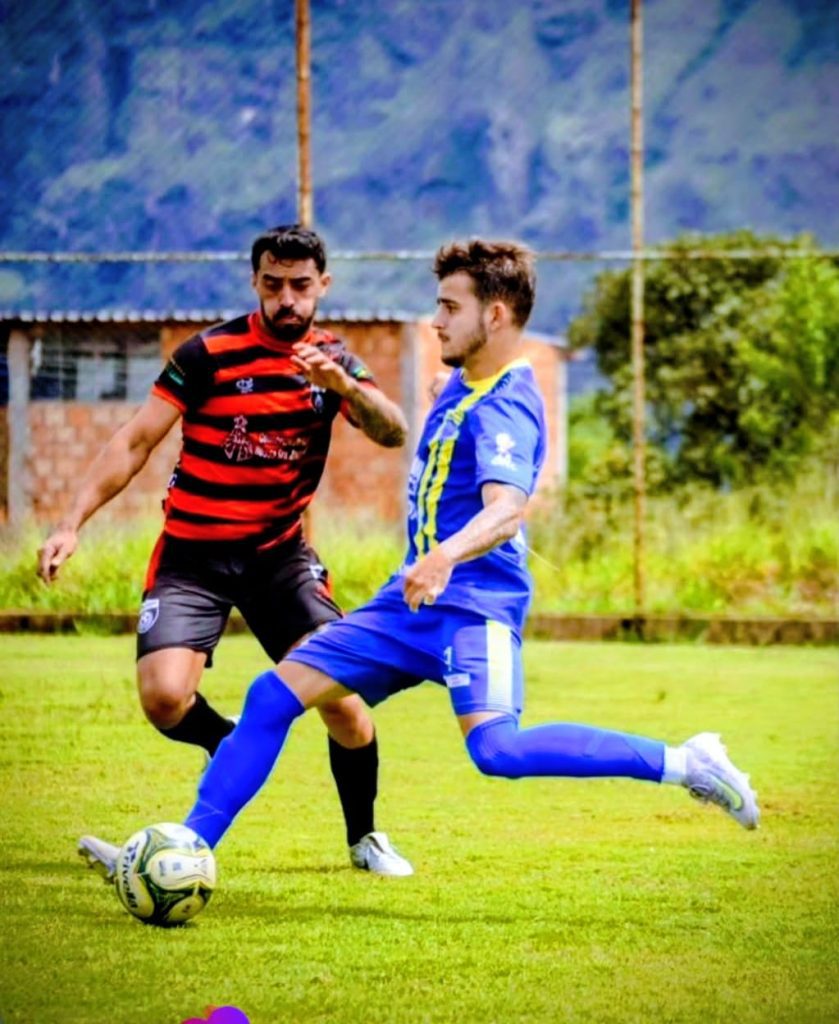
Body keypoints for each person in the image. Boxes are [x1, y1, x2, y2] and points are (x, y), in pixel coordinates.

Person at [86, 238, 759, 871]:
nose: (435, 321)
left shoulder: (506, 404)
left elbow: (506, 509)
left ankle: (686, 763)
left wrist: (443, 557)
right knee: (272, 696)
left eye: (448, 307)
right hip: (406, 605)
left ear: (494, 316)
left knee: (496, 750)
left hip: (472, 609)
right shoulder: (464, 384)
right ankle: (185, 850)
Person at [41, 225, 414, 877]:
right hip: (192, 558)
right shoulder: (207, 353)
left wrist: (346, 388)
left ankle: (365, 837)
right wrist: (71, 523)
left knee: (345, 706)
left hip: (280, 561)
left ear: (323, 285)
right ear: (255, 282)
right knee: (163, 698)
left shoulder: (332, 361)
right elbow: (135, 442)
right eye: (273, 284)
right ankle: (230, 746)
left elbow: (392, 431)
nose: (286, 298)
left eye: (300, 285)